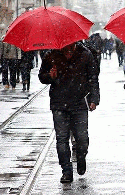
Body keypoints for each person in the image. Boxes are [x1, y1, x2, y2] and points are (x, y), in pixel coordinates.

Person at [38, 42, 100, 183]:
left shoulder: (85, 54)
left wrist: (94, 98)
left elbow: (93, 77)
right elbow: (42, 77)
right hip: (59, 103)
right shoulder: (51, 54)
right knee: (62, 139)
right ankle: (66, 170)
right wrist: (50, 76)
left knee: (82, 138)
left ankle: (81, 156)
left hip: (79, 102)